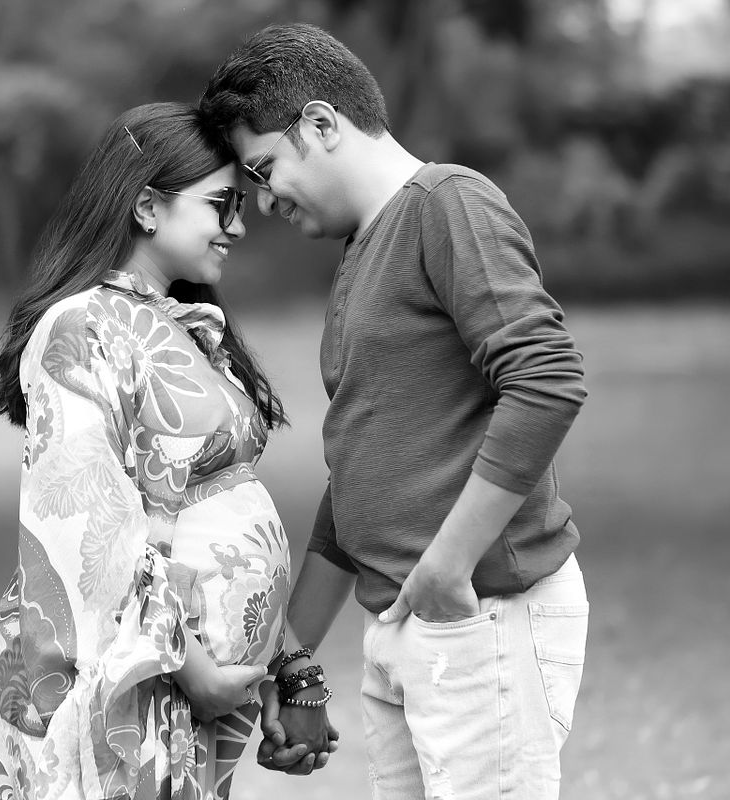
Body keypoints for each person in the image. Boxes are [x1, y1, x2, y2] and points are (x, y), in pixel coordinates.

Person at [198, 23, 590, 799]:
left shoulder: (447, 204)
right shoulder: (363, 252)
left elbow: (546, 377)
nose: (265, 200)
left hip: (480, 612)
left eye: (265, 169)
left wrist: (447, 565)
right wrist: (293, 663)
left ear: (320, 123)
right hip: (407, 621)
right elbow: (361, 476)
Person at [0, 102, 336, 800]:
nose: (239, 226)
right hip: (130, 692)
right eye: (221, 205)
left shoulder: (187, 327)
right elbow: (87, 531)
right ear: (146, 206)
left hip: (193, 702)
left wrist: (291, 670)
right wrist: (193, 669)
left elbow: (223, 510)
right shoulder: (81, 329)